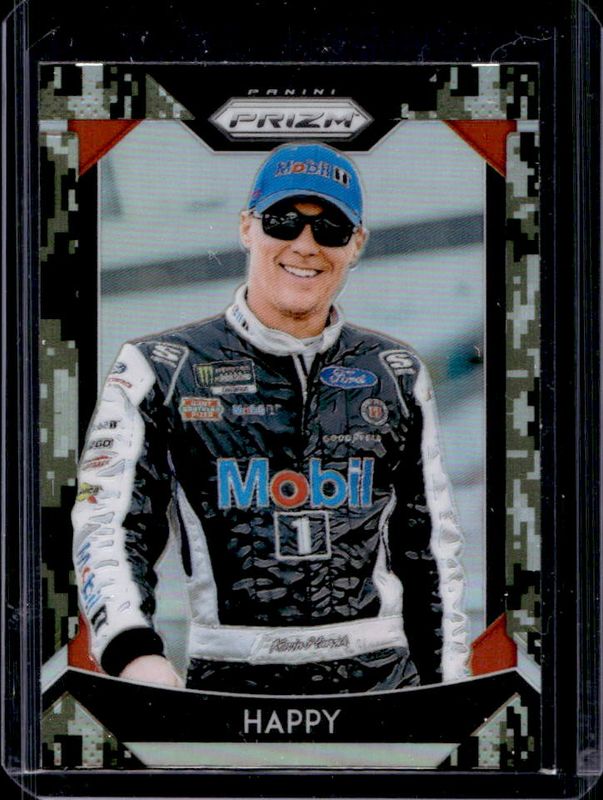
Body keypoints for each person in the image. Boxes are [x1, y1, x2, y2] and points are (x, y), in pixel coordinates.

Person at [72, 142, 468, 694]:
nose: (305, 245)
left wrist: (448, 688)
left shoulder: (394, 371)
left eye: (330, 228)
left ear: (356, 244)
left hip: (381, 683)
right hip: (231, 683)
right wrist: (134, 655)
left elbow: (431, 548)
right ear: (247, 228)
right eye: (283, 221)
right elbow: (108, 524)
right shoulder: (161, 366)